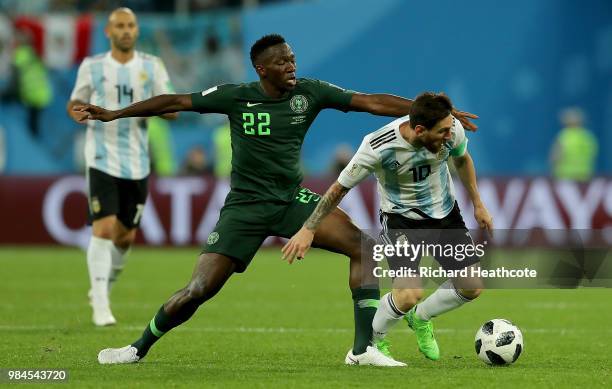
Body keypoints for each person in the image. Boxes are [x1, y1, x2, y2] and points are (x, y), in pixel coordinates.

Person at [75, 34, 478, 366]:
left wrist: (437, 113)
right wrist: (114, 114)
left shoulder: (310, 93)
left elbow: (369, 101)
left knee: (365, 248)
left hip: (291, 200)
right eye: (283, 62)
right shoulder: (236, 97)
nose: (292, 67)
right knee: (199, 289)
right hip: (245, 207)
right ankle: (136, 348)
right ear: (261, 69)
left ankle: (363, 350)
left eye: (293, 59)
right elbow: (176, 101)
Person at [283, 92, 491, 361]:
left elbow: (462, 159)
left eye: (449, 129)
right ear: (419, 130)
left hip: (445, 215)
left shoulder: (452, 130)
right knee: (408, 294)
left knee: (472, 285)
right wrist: (309, 227)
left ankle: (421, 318)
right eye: (441, 132)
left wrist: (478, 203)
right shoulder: (377, 146)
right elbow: (338, 189)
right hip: (400, 220)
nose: (447, 137)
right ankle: (375, 343)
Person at [66, 7, 177, 326]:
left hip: (138, 161)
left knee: (125, 237)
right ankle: (100, 303)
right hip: (101, 157)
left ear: (137, 30)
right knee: (103, 227)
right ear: (108, 32)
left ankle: (104, 286)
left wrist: (160, 109)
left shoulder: (151, 66)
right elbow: (75, 103)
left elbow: (171, 109)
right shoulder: (93, 66)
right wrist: (77, 113)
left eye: (130, 25)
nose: (126, 30)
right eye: (120, 26)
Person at [550, 107, 598, 181]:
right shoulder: (589, 137)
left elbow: (555, 157)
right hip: (585, 176)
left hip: (565, 176)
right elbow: (593, 155)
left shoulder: (564, 136)